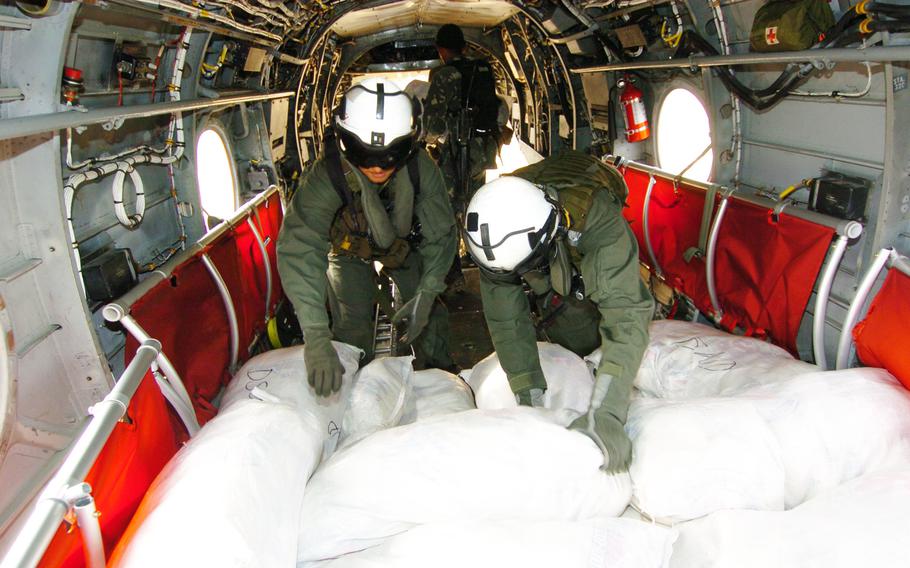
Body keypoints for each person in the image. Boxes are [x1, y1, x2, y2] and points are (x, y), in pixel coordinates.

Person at [462, 150, 653, 473]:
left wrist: (606, 411)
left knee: (583, 327)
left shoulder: (598, 218)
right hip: (541, 213)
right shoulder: (494, 228)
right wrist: (527, 393)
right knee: (557, 307)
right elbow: (505, 317)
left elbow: (626, 315)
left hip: (586, 196)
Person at [278, 79, 458, 397]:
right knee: (351, 328)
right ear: (346, 142)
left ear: (409, 144)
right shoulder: (328, 177)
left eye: (391, 155)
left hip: (404, 246)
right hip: (348, 248)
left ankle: (443, 381)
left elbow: (441, 236)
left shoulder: (419, 169)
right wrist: (317, 338)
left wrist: (428, 293)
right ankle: (356, 397)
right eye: (365, 154)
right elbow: (299, 246)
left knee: (429, 322)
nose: (377, 166)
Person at [423, 23, 502, 213]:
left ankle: (455, 239)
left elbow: (432, 126)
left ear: (440, 49)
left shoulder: (444, 75)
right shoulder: (482, 69)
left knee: (447, 209)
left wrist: (432, 144)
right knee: (475, 205)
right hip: (483, 149)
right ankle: (472, 240)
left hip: (457, 153)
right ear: (464, 47)